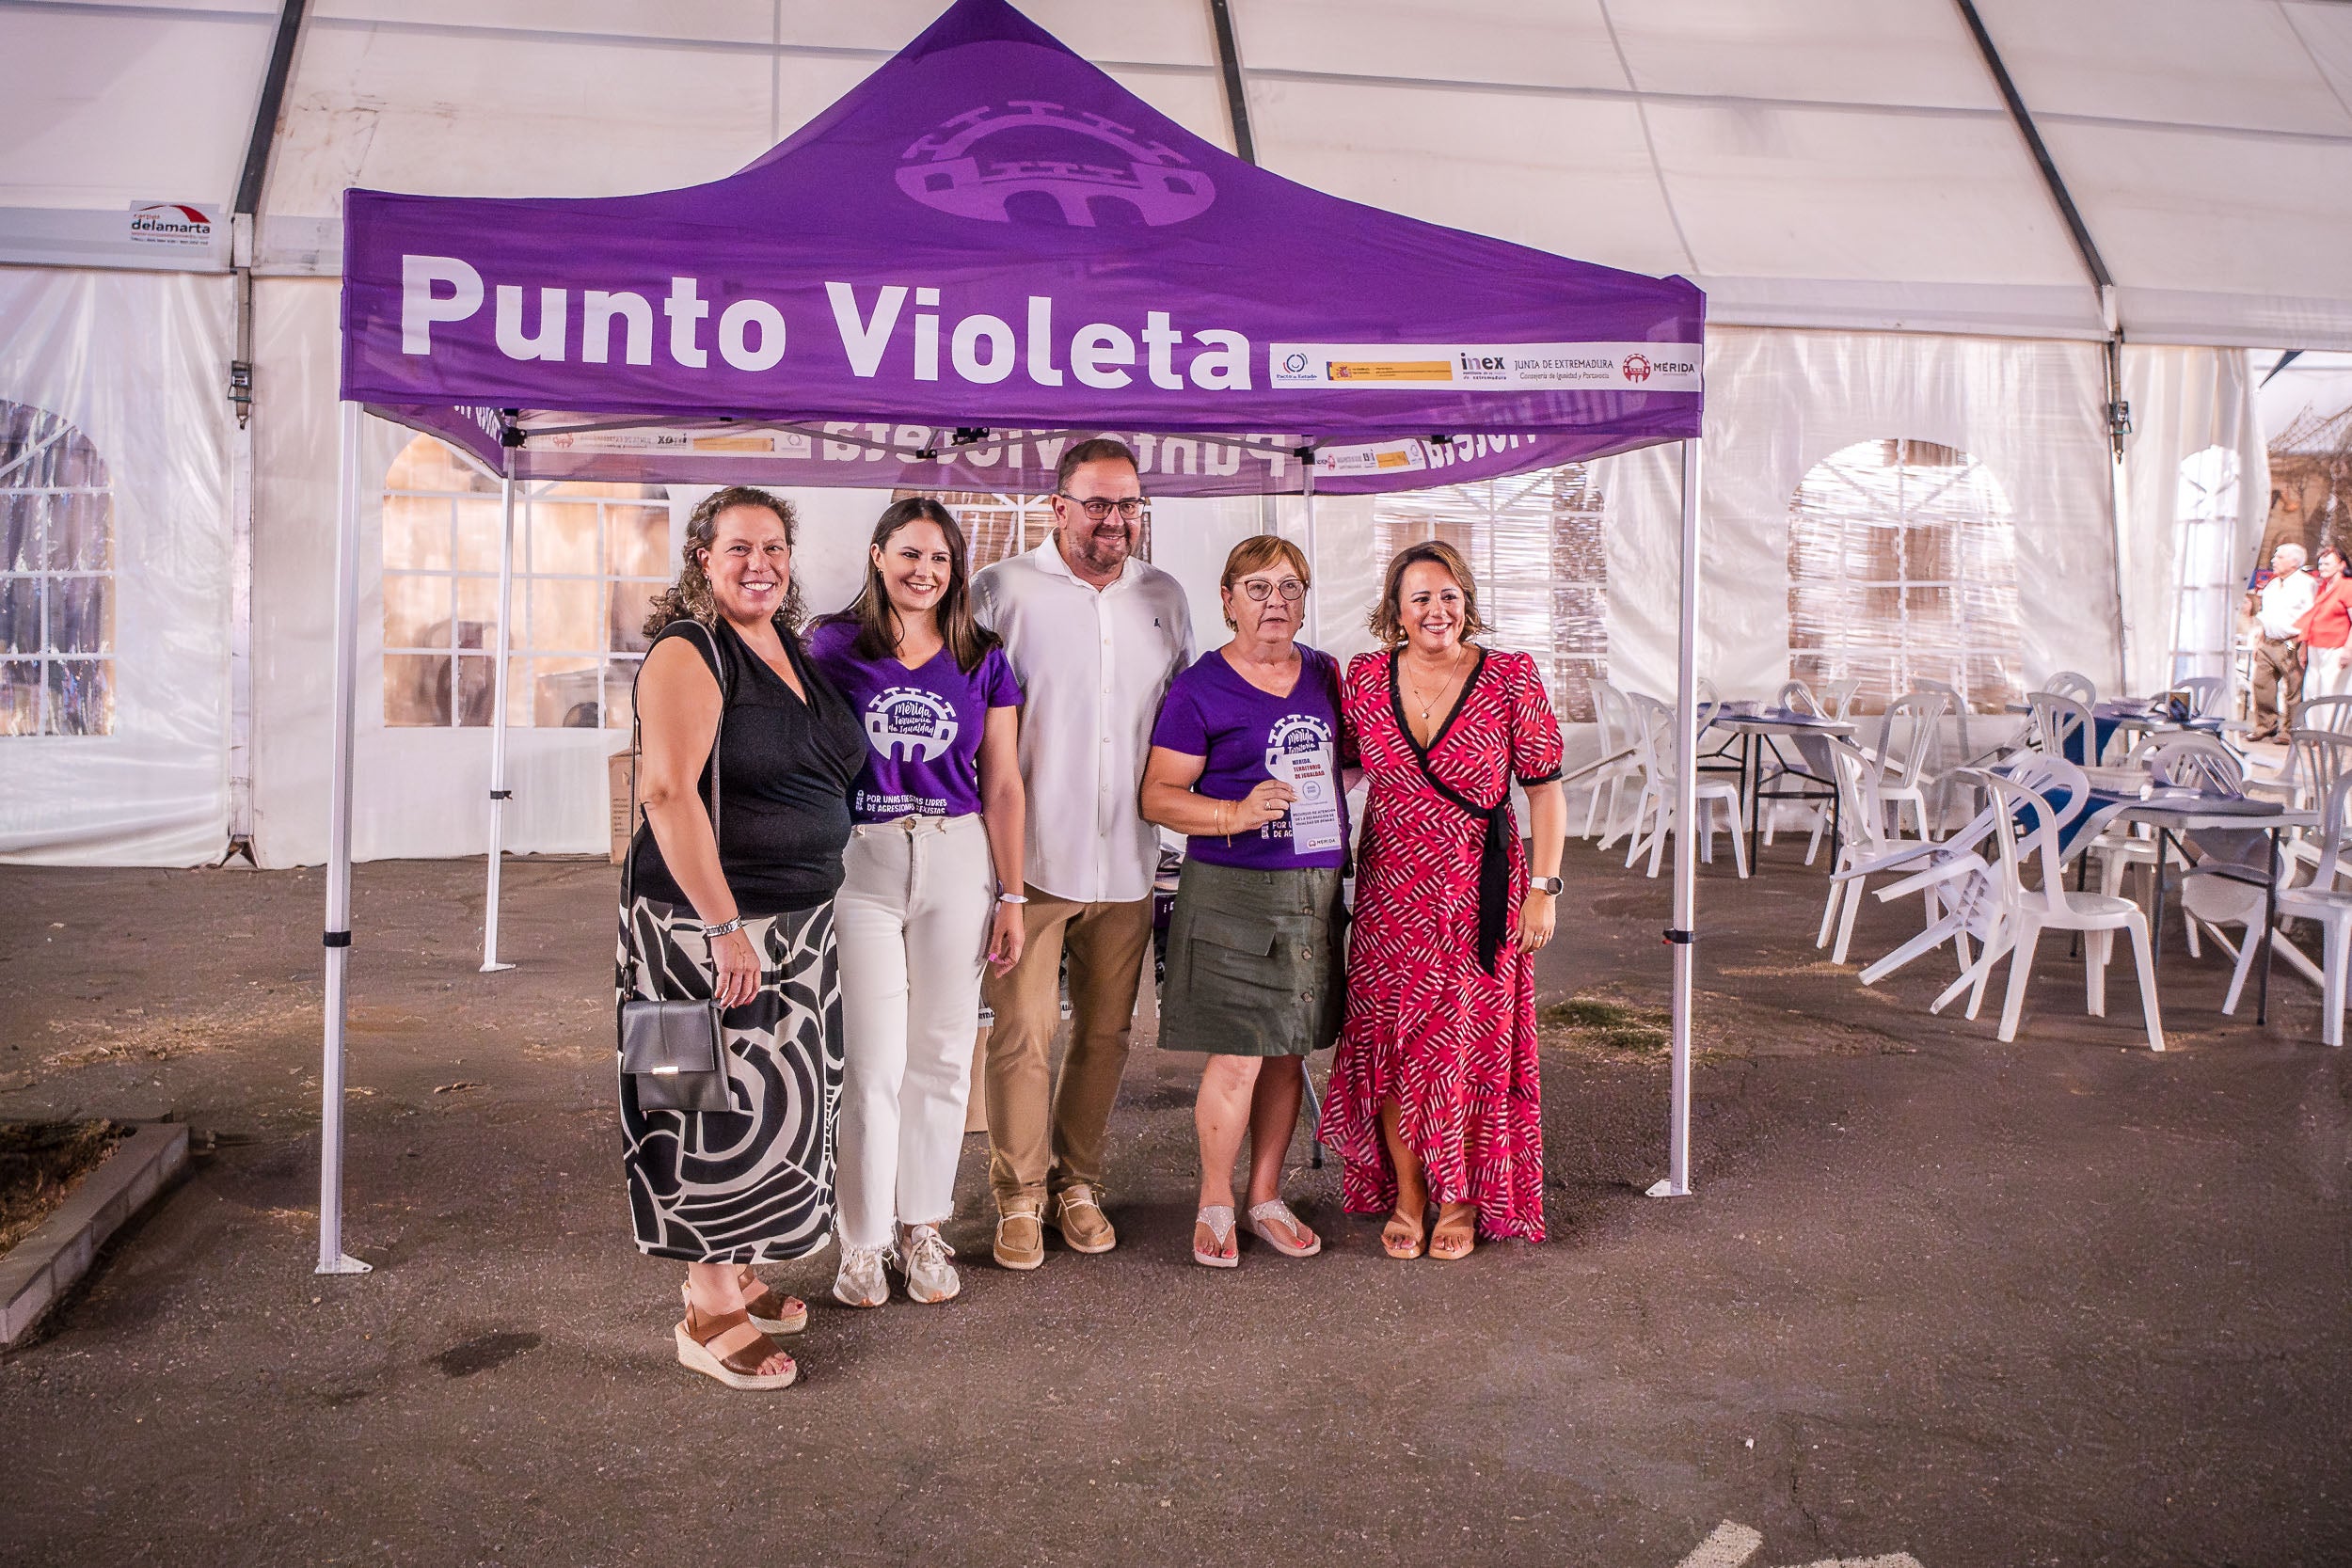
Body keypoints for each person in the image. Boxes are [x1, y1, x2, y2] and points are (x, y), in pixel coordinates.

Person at [620, 485, 866, 1391]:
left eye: (773, 547)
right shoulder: (690, 650)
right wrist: (724, 927)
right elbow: (667, 794)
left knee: (773, 1110)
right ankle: (706, 1305)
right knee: (703, 1109)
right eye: (737, 548)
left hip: (790, 928)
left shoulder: (784, 649)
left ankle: (738, 1268)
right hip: (699, 930)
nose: (758, 563)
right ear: (701, 559)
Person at [970, 438, 1194, 1269]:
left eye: (1128, 504)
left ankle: (1077, 1184)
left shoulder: (1164, 597)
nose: (1114, 520)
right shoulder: (1001, 591)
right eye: (1096, 503)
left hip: (1131, 861)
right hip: (1030, 863)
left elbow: (1180, 719)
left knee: (1106, 1035)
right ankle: (1018, 1195)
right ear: (1056, 506)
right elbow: (969, 725)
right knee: (1023, 1031)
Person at [1315, 540, 1566, 1261]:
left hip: (1475, 891)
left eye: (1450, 595)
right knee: (1393, 1046)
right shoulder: (1363, 678)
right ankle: (1409, 1193)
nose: (1437, 610)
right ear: (1395, 609)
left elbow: (1545, 789)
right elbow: (1342, 772)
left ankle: (1459, 1195)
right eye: (1421, 596)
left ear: (1468, 603)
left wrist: (1543, 891)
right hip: (1391, 888)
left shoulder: (1509, 676)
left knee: (1461, 1045)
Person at [808, 499, 1026, 1309]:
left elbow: (1003, 783)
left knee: (939, 1053)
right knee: (871, 1061)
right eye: (909, 554)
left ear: (955, 568)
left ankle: (923, 1226)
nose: (923, 571)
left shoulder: (982, 656)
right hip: (860, 857)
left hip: (958, 851)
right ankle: (862, 1241)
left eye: (939, 558)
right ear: (876, 555)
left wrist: (1012, 891)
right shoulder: (833, 647)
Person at [1140, 536, 1343, 1268]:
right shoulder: (1200, 688)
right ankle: (1215, 1199)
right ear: (1226, 600)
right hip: (1232, 888)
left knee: (1288, 1052)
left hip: (1313, 889)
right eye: (1257, 588)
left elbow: (1347, 762)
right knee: (1238, 1059)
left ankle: (1265, 1196)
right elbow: (1157, 796)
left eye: (1290, 587)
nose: (1275, 602)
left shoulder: (1324, 673)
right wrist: (1234, 812)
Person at [2248, 543, 2314, 740]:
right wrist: (2259, 639)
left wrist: (2303, 643)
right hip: (2268, 640)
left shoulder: (2306, 584)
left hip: (2291, 641)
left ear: (2294, 562)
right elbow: (2266, 615)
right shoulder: (2272, 584)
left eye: (2280, 557)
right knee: (2262, 683)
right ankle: (2265, 725)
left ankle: (2289, 730)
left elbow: (2311, 615)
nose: (2273, 560)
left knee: (2293, 687)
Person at [2300, 544, 2352, 704]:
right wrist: (2304, 646)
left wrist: (2348, 649)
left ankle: (2329, 728)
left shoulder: (2347, 586)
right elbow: (2312, 618)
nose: (2322, 567)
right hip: (2315, 648)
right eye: (2320, 564)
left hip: (2335, 649)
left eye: (2327, 564)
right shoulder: (2322, 587)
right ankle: (2313, 727)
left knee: (2330, 691)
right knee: (2312, 690)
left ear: (2341, 565)